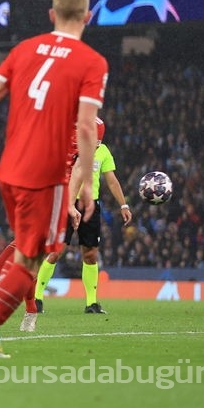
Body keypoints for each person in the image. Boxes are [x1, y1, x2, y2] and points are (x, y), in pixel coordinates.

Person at [0, 0, 107, 358]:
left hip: (10, 169)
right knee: (33, 259)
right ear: (87, 17)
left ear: (51, 14)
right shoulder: (91, 62)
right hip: (47, 174)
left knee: (27, 253)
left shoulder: (23, 50)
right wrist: (88, 183)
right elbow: (88, 127)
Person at [35, 117, 132, 314]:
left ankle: (91, 303)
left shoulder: (103, 152)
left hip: (91, 207)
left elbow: (112, 181)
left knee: (90, 254)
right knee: (56, 252)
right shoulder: (70, 149)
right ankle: (36, 298)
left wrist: (123, 204)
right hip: (67, 204)